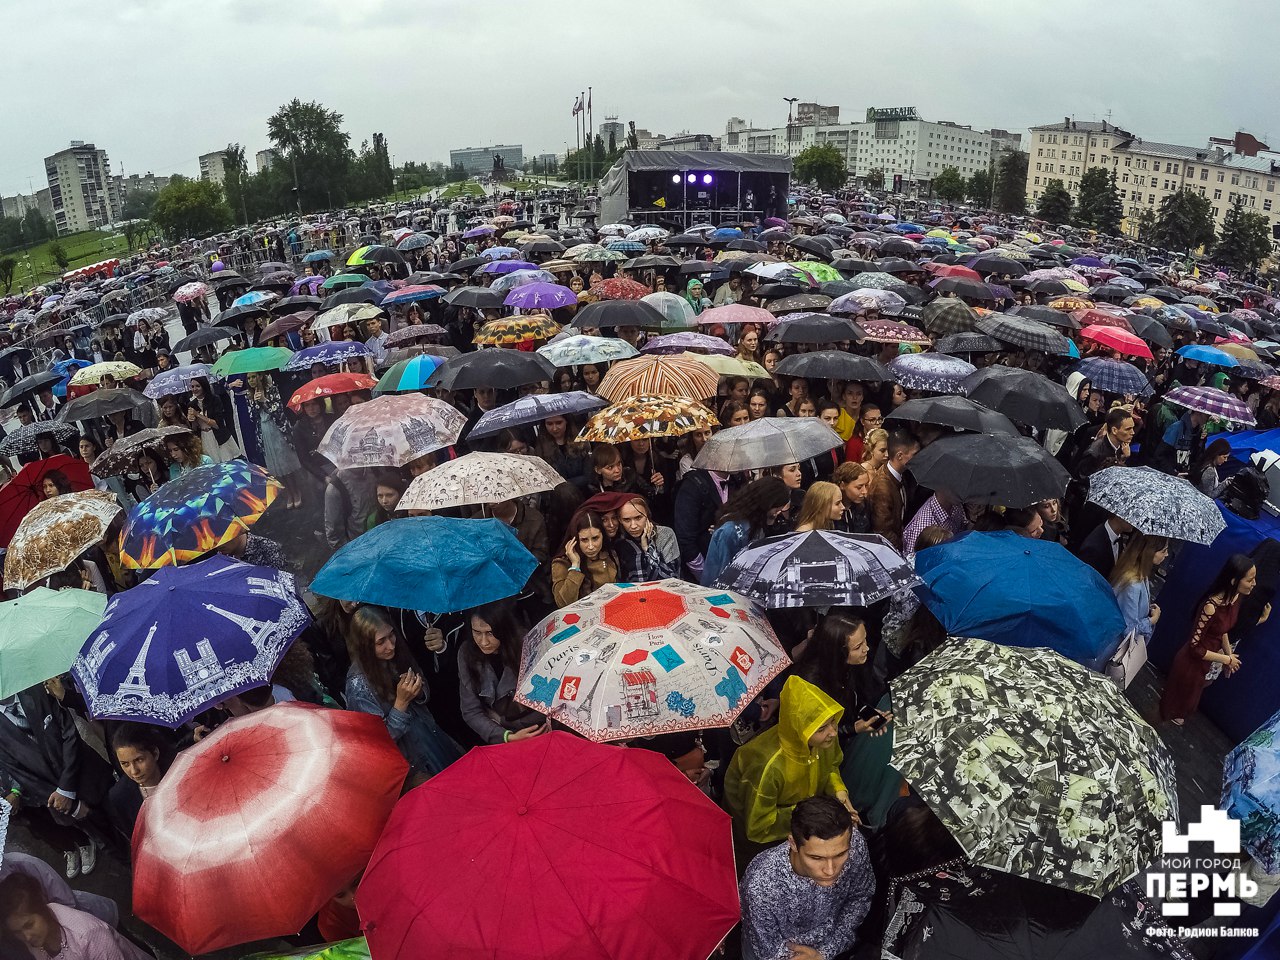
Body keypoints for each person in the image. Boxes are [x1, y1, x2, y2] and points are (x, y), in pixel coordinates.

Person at [738, 796, 874, 960]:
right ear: (793, 844)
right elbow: (768, 951)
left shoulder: (856, 846)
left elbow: (860, 896)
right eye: (816, 858)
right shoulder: (761, 885)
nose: (830, 870)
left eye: (840, 855)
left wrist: (826, 952)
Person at [725, 676, 855, 845]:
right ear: (799, 729)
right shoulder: (768, 766)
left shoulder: (824, 741)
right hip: (768, 842)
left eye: (833, 722)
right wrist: (812, 813)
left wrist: (839, 792)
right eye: (821, 729)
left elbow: (830, 767)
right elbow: (758, 826)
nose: (833, 732)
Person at [344, 605, 462, 779]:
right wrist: (401, 703)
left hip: (432, 740)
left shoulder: (397, 654)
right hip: (414, 767)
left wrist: (418, 690)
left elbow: (423, 688)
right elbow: (379, 742)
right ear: (365, 645)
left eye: (391, 635)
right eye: (380, 642)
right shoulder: (358, 685)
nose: (390, 645)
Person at [1161, 554, 1270, 724]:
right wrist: (1226, 658)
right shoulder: (1211, 606)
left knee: (1181, 713)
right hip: (1189, 668)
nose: (1254, 584)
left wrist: (1229, 656)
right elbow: (1194, 648)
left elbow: (1223, 631)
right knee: (1169, 713)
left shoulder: (1234, 599)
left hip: (1203, 667)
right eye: (1250, 580)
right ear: (1234, 581)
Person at [457, 602, 549, 745]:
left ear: (503, 628)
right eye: (477, 632)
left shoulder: (528, 645)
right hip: (503, 734)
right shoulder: (466, 654)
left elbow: (549, 694)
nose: (483, 642)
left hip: (540, 727)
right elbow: (470, 710)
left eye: (490, 633)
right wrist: (507, 736)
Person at [0, 872, 151, 960]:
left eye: (29, 925)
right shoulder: (34, 939)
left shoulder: (90, 936)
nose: (26, 937)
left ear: (42, 908)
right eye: (17, 932)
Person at [702, 477, 791, 586]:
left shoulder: (757, 524)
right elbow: (723, 572)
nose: (777, 514)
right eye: (776, 509)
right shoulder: (731, 531)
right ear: (766, 504)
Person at [104, 724, 166, 844]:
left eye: (139, 760)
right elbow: (136, 836)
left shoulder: (179, 768)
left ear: (155, 753)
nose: (134, 771)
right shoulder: (119, 796)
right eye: (125, 764)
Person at [550, 511, 619, 606]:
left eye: (595, 538)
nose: (590, 546)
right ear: (575, 540)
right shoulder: (562, 563)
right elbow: (563, 603)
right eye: (584, 540)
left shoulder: (610, 555)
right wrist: (575, 567)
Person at [1111, 534, 1169, 643]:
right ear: (1150, 552)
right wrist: (1151, 620)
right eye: (1163, 551)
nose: (1167, 554)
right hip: (1114, 648)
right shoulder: (1133, 584)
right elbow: (1128, 630)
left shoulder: (1140, 574)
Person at [868, 430, 919, 550]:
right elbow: (883, 532)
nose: (918, 459)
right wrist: (901, 551)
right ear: (900, 456)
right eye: (914, 455)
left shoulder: (903, 475)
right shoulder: (882, 487)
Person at [615, 496, 680, 581]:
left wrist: (648, 548)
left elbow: (669, 578)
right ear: (620, 520)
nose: (633, 525)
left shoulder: (664, 534)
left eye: (638, 518)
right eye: (627, 520)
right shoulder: (620, 542)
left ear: (647, 515)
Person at [1074, 407, 1135, 479]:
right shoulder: (1094, 453)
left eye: (1132, 428)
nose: (1132, 432)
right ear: (1114, 430)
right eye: (1128, 429)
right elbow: (1081, 480)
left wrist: (1124, 459)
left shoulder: (1123, 447)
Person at [1075, 511, 1135, 580]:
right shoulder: (1094, 547)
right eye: (1133, 515)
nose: (1136, 521)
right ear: (1120, 515)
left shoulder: (1119, 537)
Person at [831, 462, 871, 534]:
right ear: (842, 485)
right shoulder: (829, 511)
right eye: (859, 487)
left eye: (866, 485)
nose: (865, 491)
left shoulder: (865, 505)